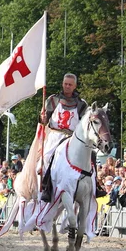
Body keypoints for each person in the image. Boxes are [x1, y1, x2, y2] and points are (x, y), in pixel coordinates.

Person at [38, 73, 105, 201]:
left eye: (70, 84)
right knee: (48, 157)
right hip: (55, 135)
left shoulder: (81, 104)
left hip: (73, 137)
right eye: (65, 84)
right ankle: (47, 187)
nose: (67, 86)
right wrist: (43, 119)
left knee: (92, 155)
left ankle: (95, 185)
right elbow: (45, 121)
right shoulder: (53, 99)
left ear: (75, 86)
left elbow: (85, 122)